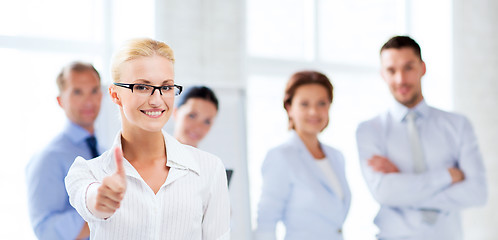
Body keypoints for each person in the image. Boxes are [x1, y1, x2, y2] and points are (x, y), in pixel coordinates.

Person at [65, 38, 230, 239]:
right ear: (115, 94)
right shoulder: (89, 172)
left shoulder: (209, 169)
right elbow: (91, 199)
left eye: (166, 87)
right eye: (142, 87)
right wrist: (100, 200)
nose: (156, 100)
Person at [356, 36, 487, 240]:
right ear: (382, 74)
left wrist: (404, 187)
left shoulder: (458, 125)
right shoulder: (369, 130)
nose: (401, 79)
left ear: (422, 68)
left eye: (408, 67)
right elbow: (384, 194)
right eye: (391, 70)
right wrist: (446, 177)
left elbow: (477, 193)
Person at [255, 71, 351, 240]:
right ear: (290, 108)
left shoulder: (336, 157)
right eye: (305, 104)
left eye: (321, 103)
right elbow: (265, 223)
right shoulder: (281, 156)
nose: (314, 111)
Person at [26, 61, 103, 240]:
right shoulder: (48, 158)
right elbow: (46, 231)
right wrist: (101, 212)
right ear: (61, 101)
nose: (89, 101)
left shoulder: (107, 152)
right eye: (77, 92)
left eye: (94, 90)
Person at [172, 86, 233, 186]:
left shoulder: (213, 172)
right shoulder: (149, 163)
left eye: (207, 121)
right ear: (175, 113)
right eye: (192, 116)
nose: (198, 128)